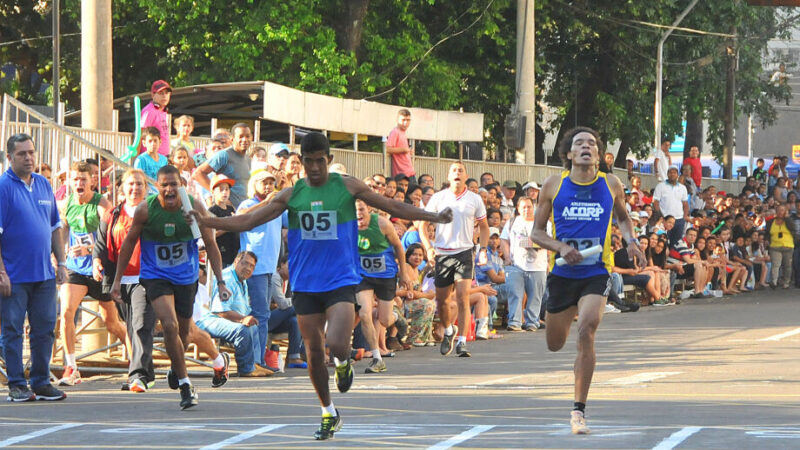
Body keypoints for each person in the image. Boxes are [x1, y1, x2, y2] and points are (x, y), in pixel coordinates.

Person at [192, 132, 451, 440]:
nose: (314, 168)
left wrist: (432, 215)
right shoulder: (293, 193)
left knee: (338, 342)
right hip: (305, 284)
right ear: (301, 163)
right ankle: (328, 411)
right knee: (315, 351)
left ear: (328, 161)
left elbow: (390, 205)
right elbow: (249, 220)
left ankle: (343, 362)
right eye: (309, 162)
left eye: (320, 161)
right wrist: (209, 222)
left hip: (340, 280)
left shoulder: (346, 186)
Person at [531, 127, 644, 435]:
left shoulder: (611, 183)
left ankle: (578, 410)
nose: (586, 147)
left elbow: (622, 217)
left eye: (591, 143)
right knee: (555, 343)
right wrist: (562, 248)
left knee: (588, 327)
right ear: (569, 153)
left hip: (597, 270)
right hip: (563, 273)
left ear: (598, 154)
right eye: (579, 143)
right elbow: (536, 233)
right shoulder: (554, 186)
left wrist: (631, 240)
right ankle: (562, 321)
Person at [110, 165, 231, 410]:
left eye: (173, 184)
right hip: (155, 276)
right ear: (157, 187)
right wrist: (116, 280)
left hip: (186, 278)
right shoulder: (146, 210)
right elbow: (128, 244)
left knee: (183, 335)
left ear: (182, 186)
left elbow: (210, 243)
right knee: (169, 325)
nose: (168, 189)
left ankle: (178, 368)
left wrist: (220, 280)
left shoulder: (194, 208)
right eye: (164, 185)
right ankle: (186, 386)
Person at [1, 133, 68, 402]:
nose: (28, 158)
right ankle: (17, 384)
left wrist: (61, 262)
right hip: (14, 277)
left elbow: (54, 227)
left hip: (44, 275)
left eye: (31, 152)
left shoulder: (43, 184)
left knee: (44, 329)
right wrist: (1, 272)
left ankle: (41, 382)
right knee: (12, 331)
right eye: (21, 154)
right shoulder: (3, 187)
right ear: (9, 158)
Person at [57, 161, 126, 386]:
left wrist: (90, 249)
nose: (79, 184)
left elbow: (111, 234)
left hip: (99, 268)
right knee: (67, 312)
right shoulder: (67, 204)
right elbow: (63, 229)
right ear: (70, 182)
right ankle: (71, 367)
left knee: (112, 323)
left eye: (83, 180)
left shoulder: (101, 204)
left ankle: (137, 360)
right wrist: (61, 254)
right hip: (76, 269)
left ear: (92, 182)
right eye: (75, 180)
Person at [93, 169, 158, 392]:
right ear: (123, 188)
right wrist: (96, 260)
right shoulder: (114, 214)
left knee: (141, 324)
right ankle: (146, 374)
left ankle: (137, 375)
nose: (135, 188)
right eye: (131, 184)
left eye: (139, 184)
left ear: (146, 188)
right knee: (132, 328)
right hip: (121, 280)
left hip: (147, 278)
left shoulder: (153, 213)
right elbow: (102, 242)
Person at [418, 161, 490, 358]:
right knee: (442, 300)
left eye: (460, 170)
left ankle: (462, 342)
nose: (457, 173)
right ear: (448, 176)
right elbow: (422, 225)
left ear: (465, 175)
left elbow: (484, 227)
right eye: (453, 170)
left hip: (464, 253)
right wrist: (428, 248)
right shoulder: (438, 198)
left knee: (462, 297)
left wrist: (482, 249)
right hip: (442, 253)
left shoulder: (474, 199)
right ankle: (449, 331)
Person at [237, 169, 286, 370]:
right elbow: (239, 216)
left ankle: (260, 359)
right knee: (258, 314)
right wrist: (265, 203)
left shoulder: (276, 208)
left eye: (271, 183)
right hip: (253, 268)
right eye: (263, 182)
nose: (268, 186)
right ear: (254, 184)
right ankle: (256, 360)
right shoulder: (248, 204)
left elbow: (292, 221)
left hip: (269, 267)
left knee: (263, 314)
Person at [195, 251, 273, 377]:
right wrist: (242, 319)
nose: (248, 268)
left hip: (221, 318)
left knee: (253, 325)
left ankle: (255, 364)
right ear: (236, 261)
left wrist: (246, 319)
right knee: (242, 330)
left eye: (251, 266)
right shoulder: (228, 279)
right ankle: (246, 369)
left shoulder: (242, 280)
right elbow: (220, 311)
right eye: (245, 263)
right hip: (207, 319)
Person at [355, 199, 411, 374]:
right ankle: (377, 358)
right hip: (363, 276)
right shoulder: (348, 225)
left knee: (385, 320)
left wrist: (403, 272)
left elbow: (398, 247)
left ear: (369, 209)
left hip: (386, 275)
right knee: (364, 314)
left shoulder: (382, 223)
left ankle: (397, 317)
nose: (358, 214)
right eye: (355, 211)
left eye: (362, 210)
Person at [501, 196, 547, 331]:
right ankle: (514, 322)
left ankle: (532, 322)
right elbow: (504, 240)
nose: (527, 210)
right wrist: (507, 256)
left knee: (535, 296)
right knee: (515, 294)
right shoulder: (512, 222)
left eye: (529, 207)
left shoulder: (544, 223)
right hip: (516, 265)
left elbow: (547, 241)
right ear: (518, 209)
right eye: (524, 207)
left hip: (537, 266)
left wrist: (527, 243)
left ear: (534, 208)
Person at [193, 122, 252, 207]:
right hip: (225, 211)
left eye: (247, 136)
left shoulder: (248, 159)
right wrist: (218, 195)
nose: (244, 139)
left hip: (241, 209)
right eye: (241, 136)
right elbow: (197, 174)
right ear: (232, 139)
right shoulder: (224, 155)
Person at [208, 174, 240, 266]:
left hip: (233, 253)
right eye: (221, 189)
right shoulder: (212, 211)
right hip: (221, 256)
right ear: (213, 191)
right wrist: (228, 227)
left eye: (226, 189)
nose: (224, 192)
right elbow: (210, 235)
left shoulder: (231, 209)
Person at [653, 166, 689, 245]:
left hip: (679, 219)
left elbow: (685, 204)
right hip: (665, 219)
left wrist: (684, 217)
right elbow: (655, 202)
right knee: (663, 242)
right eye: (670, 172)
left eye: (674, 173)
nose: (672, 174)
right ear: (667, 174)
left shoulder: (683, 188)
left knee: (676, 243)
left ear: (677, 175)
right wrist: (661, 216)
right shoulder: (660, 186)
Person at [140, 80, 172, 156]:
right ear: (153, 95)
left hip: (162, 158)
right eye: (161, 93)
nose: (164, 96)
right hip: (151, 158)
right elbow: (140, 134)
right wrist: (137, 158)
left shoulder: (163, 112)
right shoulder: (149, 111)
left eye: (166, 93)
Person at [386, 109, 416, 184]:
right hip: (402, 175)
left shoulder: (403, 133)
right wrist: (404, 150)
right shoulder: (395, 132)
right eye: (403, 120)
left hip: (409, 172)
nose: (405, 123)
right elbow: (388, 149)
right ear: (397, 120)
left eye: (408, 120)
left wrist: (408, 152)